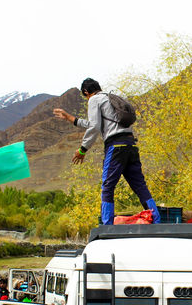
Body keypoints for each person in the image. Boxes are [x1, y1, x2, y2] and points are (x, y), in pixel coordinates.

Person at [53, 78, 160, 225]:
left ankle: (107, 225)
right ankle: (156, 220)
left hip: (116, 147)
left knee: (107, 186)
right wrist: (70, 118)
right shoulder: (109, 98)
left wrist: (83, 149)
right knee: (140, 185)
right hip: (130, 145)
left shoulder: (94, 100)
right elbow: (94, 123)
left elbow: (95, 127)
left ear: (86, 92)